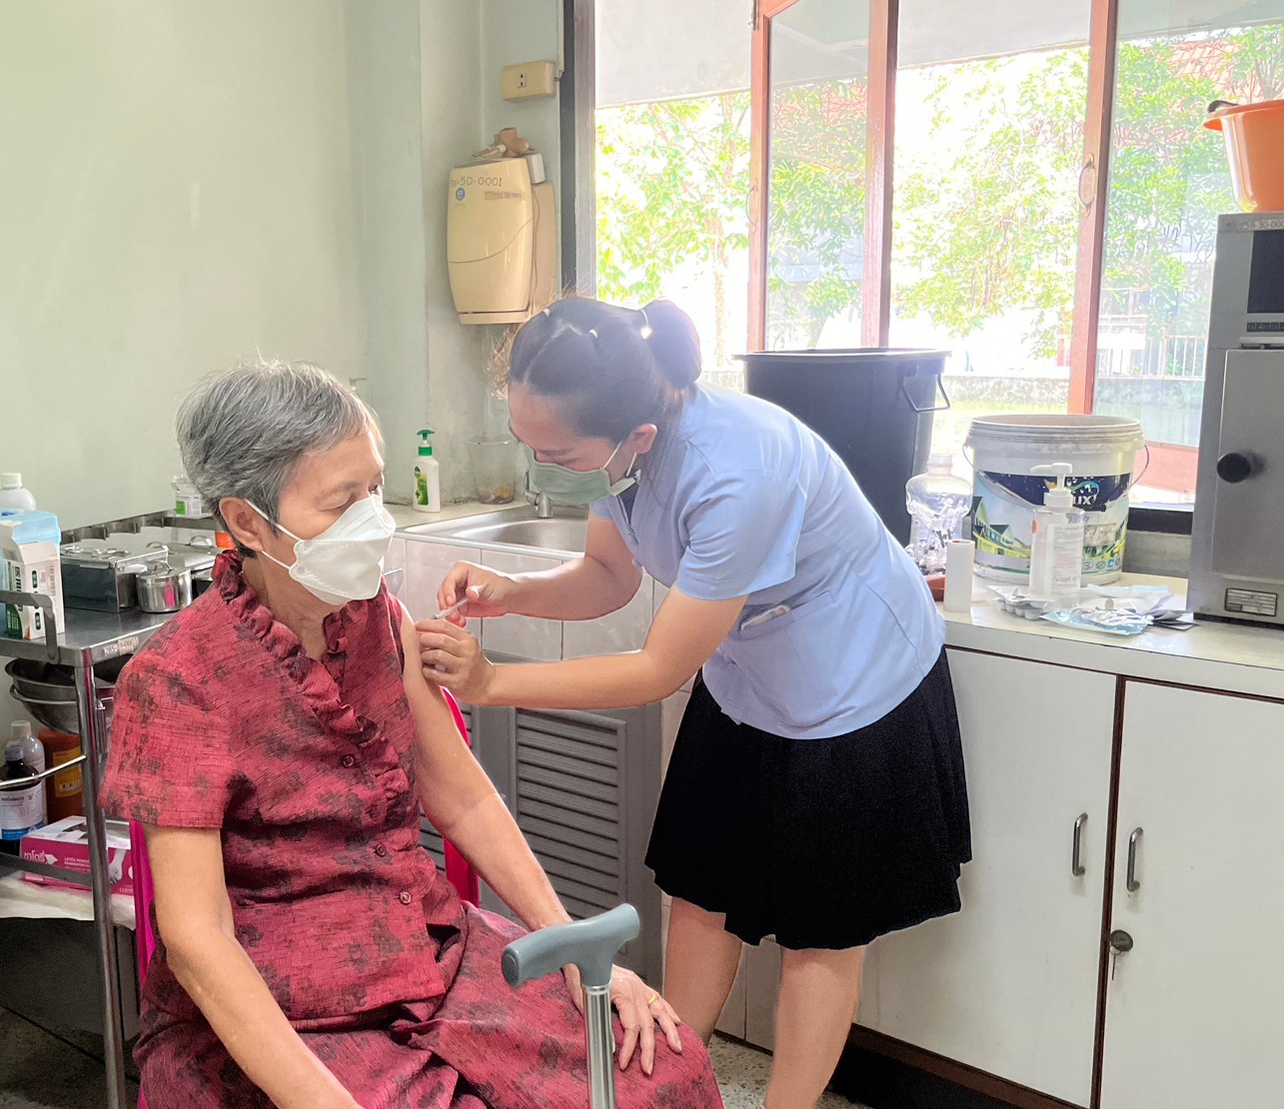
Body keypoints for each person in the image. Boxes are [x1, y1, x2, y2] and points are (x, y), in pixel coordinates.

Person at [99, 360, 723, 1109]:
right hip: (285, 1001)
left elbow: (463, 798)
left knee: (664, 1070)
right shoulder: (176, 680)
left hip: (425, 949)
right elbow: (198, 939)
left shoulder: (379, 618)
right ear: (249, 522)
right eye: (342, 502)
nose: (372, 519)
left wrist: (568, 945)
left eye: (374, 488)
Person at [416, 298, 972, 1109]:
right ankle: (673, 1081)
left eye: (555, 452)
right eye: (526, 442)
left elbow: (655, 670)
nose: (540, 464)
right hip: (748, 669)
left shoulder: (736, 471)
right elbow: (607, 576)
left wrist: (491, 684)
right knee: (700, 886)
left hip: (854, 682)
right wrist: (512, 591)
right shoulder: (615, 449)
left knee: (819, 932)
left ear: (637, 434)